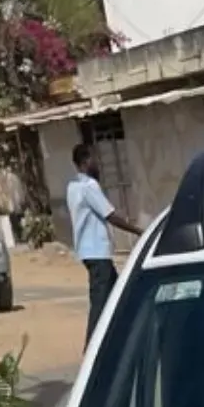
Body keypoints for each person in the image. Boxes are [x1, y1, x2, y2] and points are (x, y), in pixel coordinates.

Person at [67, 141, 141, 343]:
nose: (97, 164)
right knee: (100, 305)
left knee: (117, 299)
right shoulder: (89, 186)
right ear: (85, 161)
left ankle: (122, 342)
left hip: (88, 253)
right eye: (94, 159)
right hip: (97, 253)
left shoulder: (72, 187)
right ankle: (92, 348)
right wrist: (139, 231)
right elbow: (110, 215)